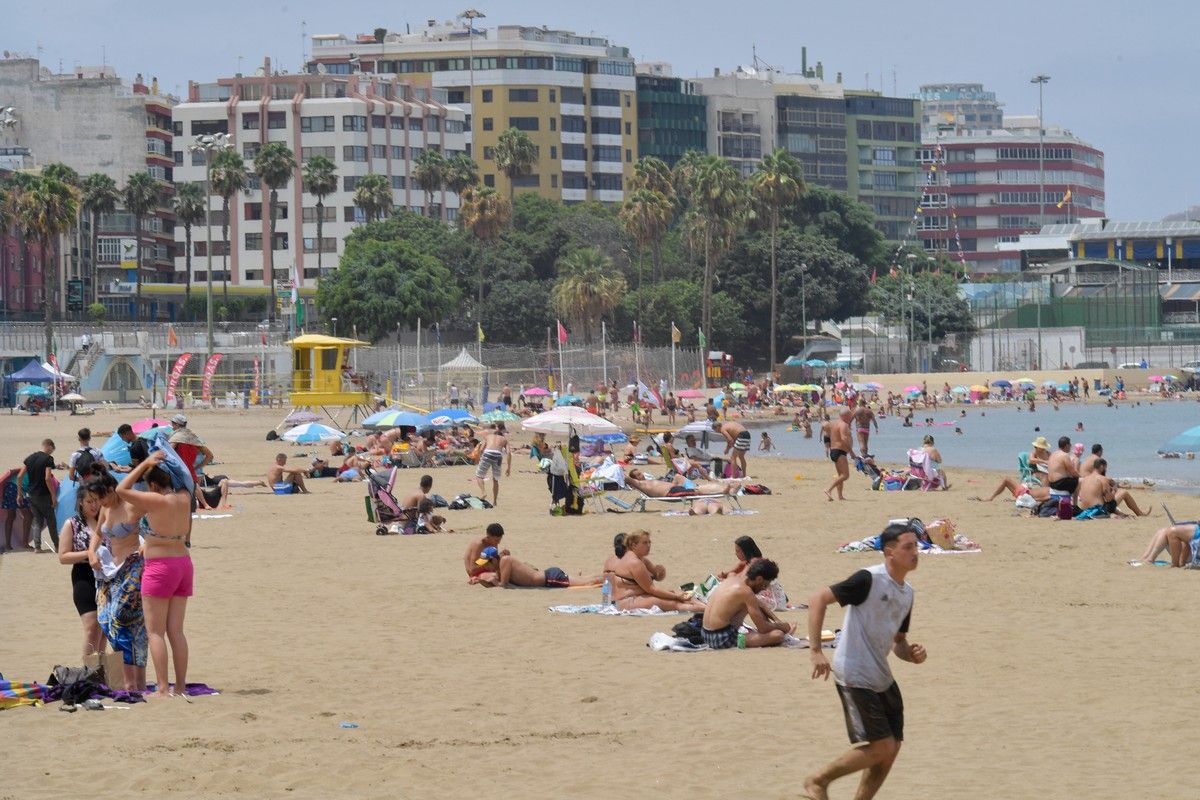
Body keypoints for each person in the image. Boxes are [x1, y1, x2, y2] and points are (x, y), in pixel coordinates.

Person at [805, 523, 927, 800]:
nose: (915, 552)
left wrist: (912, 655)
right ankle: (817, 781)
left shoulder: (907, 593)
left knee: (892, 747)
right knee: (882, 745)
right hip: (855, 672)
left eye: (916, 546)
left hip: (881, 676)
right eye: (908, 547)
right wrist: (815, 650)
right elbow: (818, 599)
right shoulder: (868, 579)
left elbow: (898, 643)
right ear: (890, 552)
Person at [118, 449, 193, 698]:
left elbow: (121, 490)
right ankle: (180, 687)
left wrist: (143, 464)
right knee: (177, 631)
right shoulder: (185, 496)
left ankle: (163, 687)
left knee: (155, 632)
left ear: (152, 484)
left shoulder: (156, 501)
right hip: (183, 563)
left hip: (160, 568)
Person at [87, 471, 147, 692]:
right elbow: (98, 534)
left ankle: (132, 681)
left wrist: (147, 543)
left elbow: (157, 519)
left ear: (112, 490)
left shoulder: (132, 505)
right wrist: (92, 552)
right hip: (109, 572)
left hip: (132, 567)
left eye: (101, 498)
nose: (98, 504)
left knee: (122, 619)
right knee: (105, 620)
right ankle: (135, 681)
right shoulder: (105, 508)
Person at [464, 523, 600, 588]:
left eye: (499, 541)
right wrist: (485, 564)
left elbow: (503, 583)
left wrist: (493, 562)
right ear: (489, 537)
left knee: (588, 581)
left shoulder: (498, 554)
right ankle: (607, 576)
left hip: (549, 577)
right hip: (477, 570)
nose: (497, 543)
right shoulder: (478, 545)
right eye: (496, 540)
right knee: (586, 579)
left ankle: (609, 577)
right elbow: (472, 570)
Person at [701, 560, 793, 649]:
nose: (764, 589)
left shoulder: (733, 579)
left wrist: (776, 619)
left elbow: (757, 602)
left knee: (754, 606)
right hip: (721, 638)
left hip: (705, 633)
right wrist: (784, 627)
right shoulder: (747, 593)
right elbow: (763, 628)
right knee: (778, 635)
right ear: (759, 579)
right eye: (765, 585)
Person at [58, 481, 104, 657]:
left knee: (104, 628)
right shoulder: (72, 524)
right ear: (81, 503)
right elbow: (63, 556)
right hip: (83, 576)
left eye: (97, 500)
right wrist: (89, 553)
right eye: (90, 501)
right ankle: (88, 671)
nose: (94, 505)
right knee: (91, 626)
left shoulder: (105, 522)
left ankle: (100, 670)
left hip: (106, 576)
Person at [608, 530, 704, 611]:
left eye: (649, 542)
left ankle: (706, 607)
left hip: (638, 596)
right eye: (645, 543)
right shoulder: (634, 562)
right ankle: (707, 609)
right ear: (634, 545)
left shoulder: (640, 559)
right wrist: (676, 596)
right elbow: (652, 589)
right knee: (674, 603)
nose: (649, 545)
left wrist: (661, 572)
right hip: (627, 602)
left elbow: (657, 576)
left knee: (678, 593)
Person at [18, 439, 57, 552]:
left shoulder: (29, 458)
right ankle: (57, 546)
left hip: (31, 494)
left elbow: (20, 476)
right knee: (51, 520)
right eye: (52, 450)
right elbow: (47, 478)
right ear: (49, 446)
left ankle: (37, 547)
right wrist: (53, 496)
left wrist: (19, 493)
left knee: (37, 520)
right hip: (43, 494)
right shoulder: (48, 459)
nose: (51, 453)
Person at [1077, 459, 1148, 517]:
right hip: (1097, 510)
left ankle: (1121, 514)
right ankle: (1140, 514)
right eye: (1105, 468)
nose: (1106, 470)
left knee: (1103, 500)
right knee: (1124, 492)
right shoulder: (1103, 479)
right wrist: (1114, 490)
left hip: (1084, 510)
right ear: (1102, 467)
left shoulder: (1085, 479)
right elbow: (1109, 499)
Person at [473, 422, 511, 507]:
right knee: (495, 479)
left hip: (488, 453)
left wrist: (478, 458)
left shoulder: (488, 436)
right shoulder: (504, 439)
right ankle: (495, 501)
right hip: (498, 455)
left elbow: (481, 449)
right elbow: (509, 453)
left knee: (479, 476)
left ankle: (484, 493)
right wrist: (508, 468)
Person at [1132, 520, 1200, 567]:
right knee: (1162, 531)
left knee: (1169, 532)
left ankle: (1150, 559)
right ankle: (1144, 558)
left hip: (1194, 553)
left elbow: (1188, 542)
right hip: (1192, 548)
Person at [825, 410, 855, 502]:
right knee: (845, 475)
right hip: (840, 451)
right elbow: (844, 438)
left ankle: (840, 496)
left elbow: (829, 436)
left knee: (840, 475)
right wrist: (851, 452)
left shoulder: (834, 424)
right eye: (850, 416)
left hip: (834, 450)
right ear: (845, 416)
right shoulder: (843, 425)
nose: (851, 418)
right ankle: (829, 489)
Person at [0, 465, 31, 552]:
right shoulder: (36, 470)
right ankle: (25, 543)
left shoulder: (27, 466)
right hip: (17, 489)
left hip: (9, 487)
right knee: (28, 515)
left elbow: (12, 471)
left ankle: (8, 545)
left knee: (11, 516)